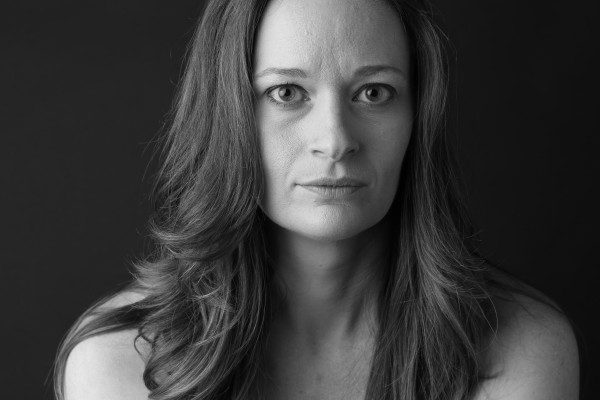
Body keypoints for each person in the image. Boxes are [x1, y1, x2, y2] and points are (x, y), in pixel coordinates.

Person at [54, 0, 580, 399]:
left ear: (417, 120)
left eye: (373, 92)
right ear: (228, 118)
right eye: (287, 92)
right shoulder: (119, 365)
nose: (334, 139)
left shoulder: (519, 350)